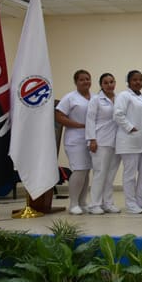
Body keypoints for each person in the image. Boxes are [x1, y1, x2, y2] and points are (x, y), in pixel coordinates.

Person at [113, 70, 142, 214]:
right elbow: (118, 114)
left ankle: (140, 201)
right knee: (130, 174)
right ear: (128, 82)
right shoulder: (124, 95)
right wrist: (130, 127)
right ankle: (130, 204)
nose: (138, 82)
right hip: (128, 141)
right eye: (135, 80)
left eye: (140, 79)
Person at [56, 69, 93, 215]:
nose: (85, 82)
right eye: (82, 79)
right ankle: (73, 204)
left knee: (86, 171)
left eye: (87, 79)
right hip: (75, 139)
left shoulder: (95, 97)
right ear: (76, 82)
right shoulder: (70, 98)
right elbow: (59, 116)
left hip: (90, 139)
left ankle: (82, 202)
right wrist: (78, 125)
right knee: (79, 170)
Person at [85, 72, 121, 214]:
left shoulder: (119, 98)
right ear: (101, 85)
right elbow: (90, 120)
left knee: (111, 174)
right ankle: (94, 204)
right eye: (106, 83)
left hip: (116, 141)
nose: (109, 85)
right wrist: (92, 139)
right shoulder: (96, 100)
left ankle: (108, 203)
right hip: (100, 141)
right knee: (100, 173)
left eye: (111, 82)